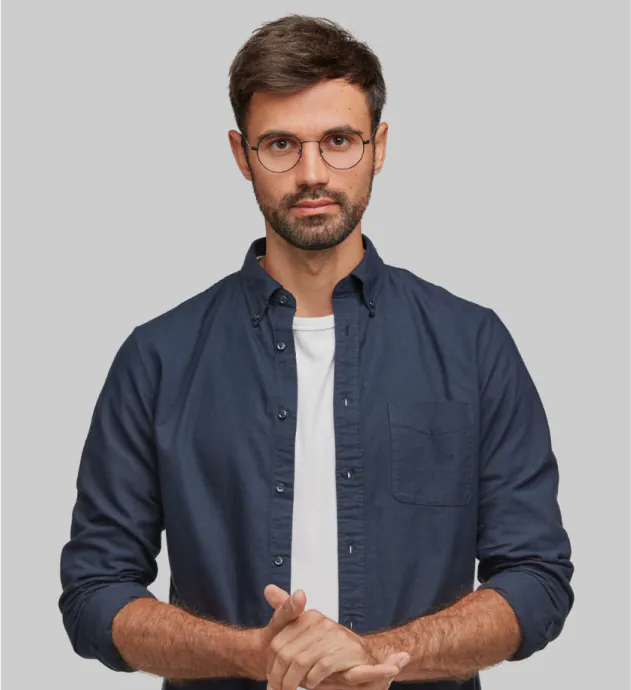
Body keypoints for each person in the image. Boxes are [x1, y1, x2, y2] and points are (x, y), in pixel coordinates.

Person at [58, 13, 574, 690]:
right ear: (241, 154)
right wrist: (251, 654)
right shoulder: (157, 358)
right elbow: (95, 593)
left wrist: (375, 654)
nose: (311, 173)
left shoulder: (472, 345)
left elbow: (536, 580)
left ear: (377, 146)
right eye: (280, 144)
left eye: (338, 141)